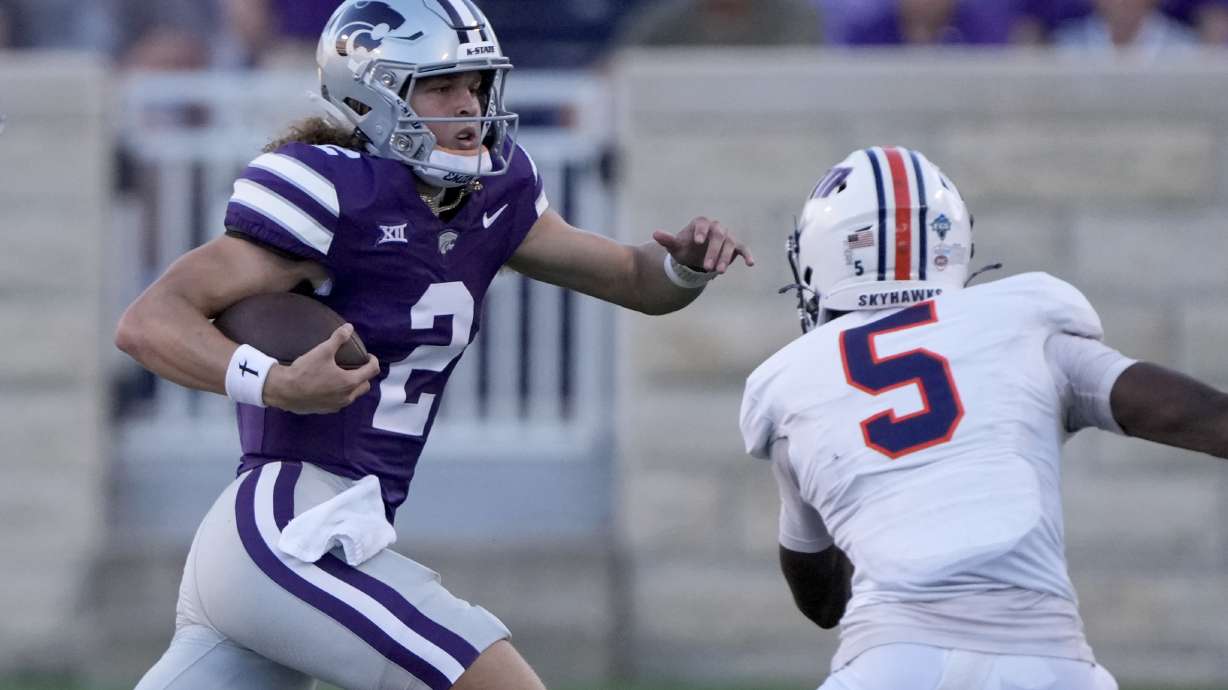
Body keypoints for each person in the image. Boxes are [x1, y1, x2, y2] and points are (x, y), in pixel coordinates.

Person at [115, 1, 753, 689]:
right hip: (286, 528)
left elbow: (633, 278)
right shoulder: (332, 189)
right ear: (371, 94)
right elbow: (149, 321)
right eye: (442, 86)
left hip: (319, 531)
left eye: (475, 85)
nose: (468, 105)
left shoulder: (492, 192)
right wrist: (273, 383)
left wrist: (684, 266)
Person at [739, 146, 1228, 690]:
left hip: (891, 663)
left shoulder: (793, 383)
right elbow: (1203, 418)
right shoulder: (1027, 327)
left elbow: (823, 601)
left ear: (820, 255)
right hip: (1042, 661)